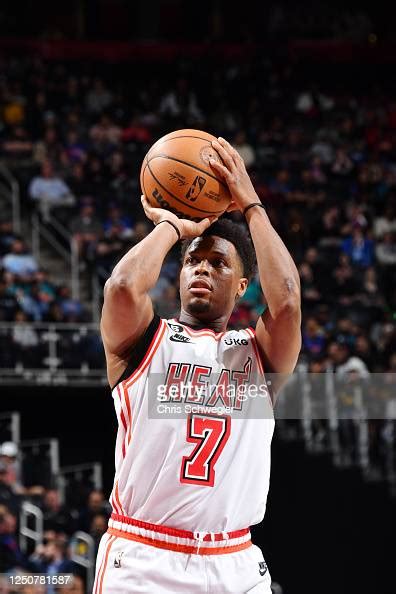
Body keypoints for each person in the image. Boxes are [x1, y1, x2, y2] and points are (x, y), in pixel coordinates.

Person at [95, 137, 301, 593]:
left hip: (235, 560)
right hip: (146, 556)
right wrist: (174, 227)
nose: (202, 269)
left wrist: (250, 205)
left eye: (217, 263)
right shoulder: (145, 341)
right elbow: (123, 288)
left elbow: (286, 300)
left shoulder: (258, 356)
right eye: (193, 262)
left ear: (243, 285)